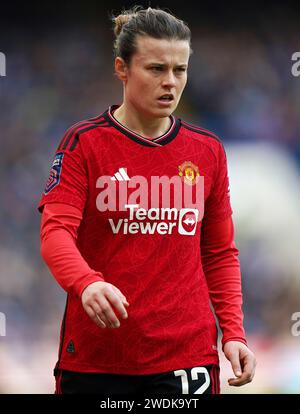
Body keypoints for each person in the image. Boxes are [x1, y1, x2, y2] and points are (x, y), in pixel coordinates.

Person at [38, 6, 256, 394]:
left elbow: (219, 252)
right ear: (122, 69)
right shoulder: (83, 144)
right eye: (156, 69)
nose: (170, 82)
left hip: (186, 358)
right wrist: (86, 283)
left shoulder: (207, 151)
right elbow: (55, 233)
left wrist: (234, 333)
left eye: (180, 70)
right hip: (98, 358)